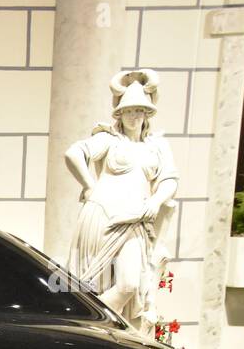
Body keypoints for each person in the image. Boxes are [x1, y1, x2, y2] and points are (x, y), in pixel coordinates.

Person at [65, 70, 178, 328]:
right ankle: (93, 331)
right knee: (92, 282)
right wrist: (90, 186)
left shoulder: (157, 146)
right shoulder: (109, 140)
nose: (133, 116)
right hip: (102, 216)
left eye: (138, 111)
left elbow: (170, 180)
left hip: (136, 220)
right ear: (119, 114)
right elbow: (73, 153)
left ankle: (91, 326)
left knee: (129, 283)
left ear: (147, 114)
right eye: (128, 111)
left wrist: (155, 201)